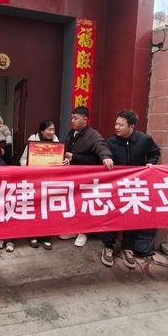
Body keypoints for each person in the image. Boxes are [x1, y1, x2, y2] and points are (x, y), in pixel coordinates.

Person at [99, 109, 161, 269]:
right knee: (112, 214)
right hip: (115, 186)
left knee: (132, 216)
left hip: (135, 186)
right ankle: (108, 246)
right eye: (116, 124)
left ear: (131, 127)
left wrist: (151, 163)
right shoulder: (111, 141)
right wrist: (106, 158)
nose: (116, 127)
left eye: (121, 125)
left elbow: (155, 153)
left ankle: (128, 248)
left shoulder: (145, 140)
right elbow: (103, 153)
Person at [64, 106, 114, 248]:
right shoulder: (71, 133)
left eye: (76, 118)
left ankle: (83, 232)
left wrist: (106, 157)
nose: (72, 121)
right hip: (72, 175)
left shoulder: (93, 135)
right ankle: (73, 229)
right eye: (72, 118)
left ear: (85, 119)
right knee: (73, 204)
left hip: (85, 178)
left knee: (84, 205)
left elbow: (101, 147)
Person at [19, 120, 60, 250]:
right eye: (49, 129)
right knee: (35, 208)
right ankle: (32, 235)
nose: (52, 132)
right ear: (42, 131)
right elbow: (23, 160)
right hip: (35, 181)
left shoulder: (57, 144)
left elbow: (59, 162)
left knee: (47, 209)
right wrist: (30, 166)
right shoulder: (33, 142)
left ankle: (46, 237)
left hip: (49, 182)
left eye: (53, 129)